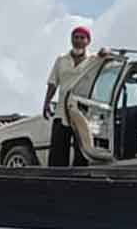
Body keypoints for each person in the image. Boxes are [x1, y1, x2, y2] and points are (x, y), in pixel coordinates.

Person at [42, 25, 99, 166]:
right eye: (76, 37)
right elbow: (53, 82)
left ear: (88, 41)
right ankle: (56, 181)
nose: (78, 40)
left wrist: (106, 51)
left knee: (82, 151)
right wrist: (46, 103)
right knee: (57, 151)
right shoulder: (62, 59)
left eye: (82, 38)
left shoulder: (94, 59)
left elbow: (109, 57)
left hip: (83, 112)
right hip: (62, 111)